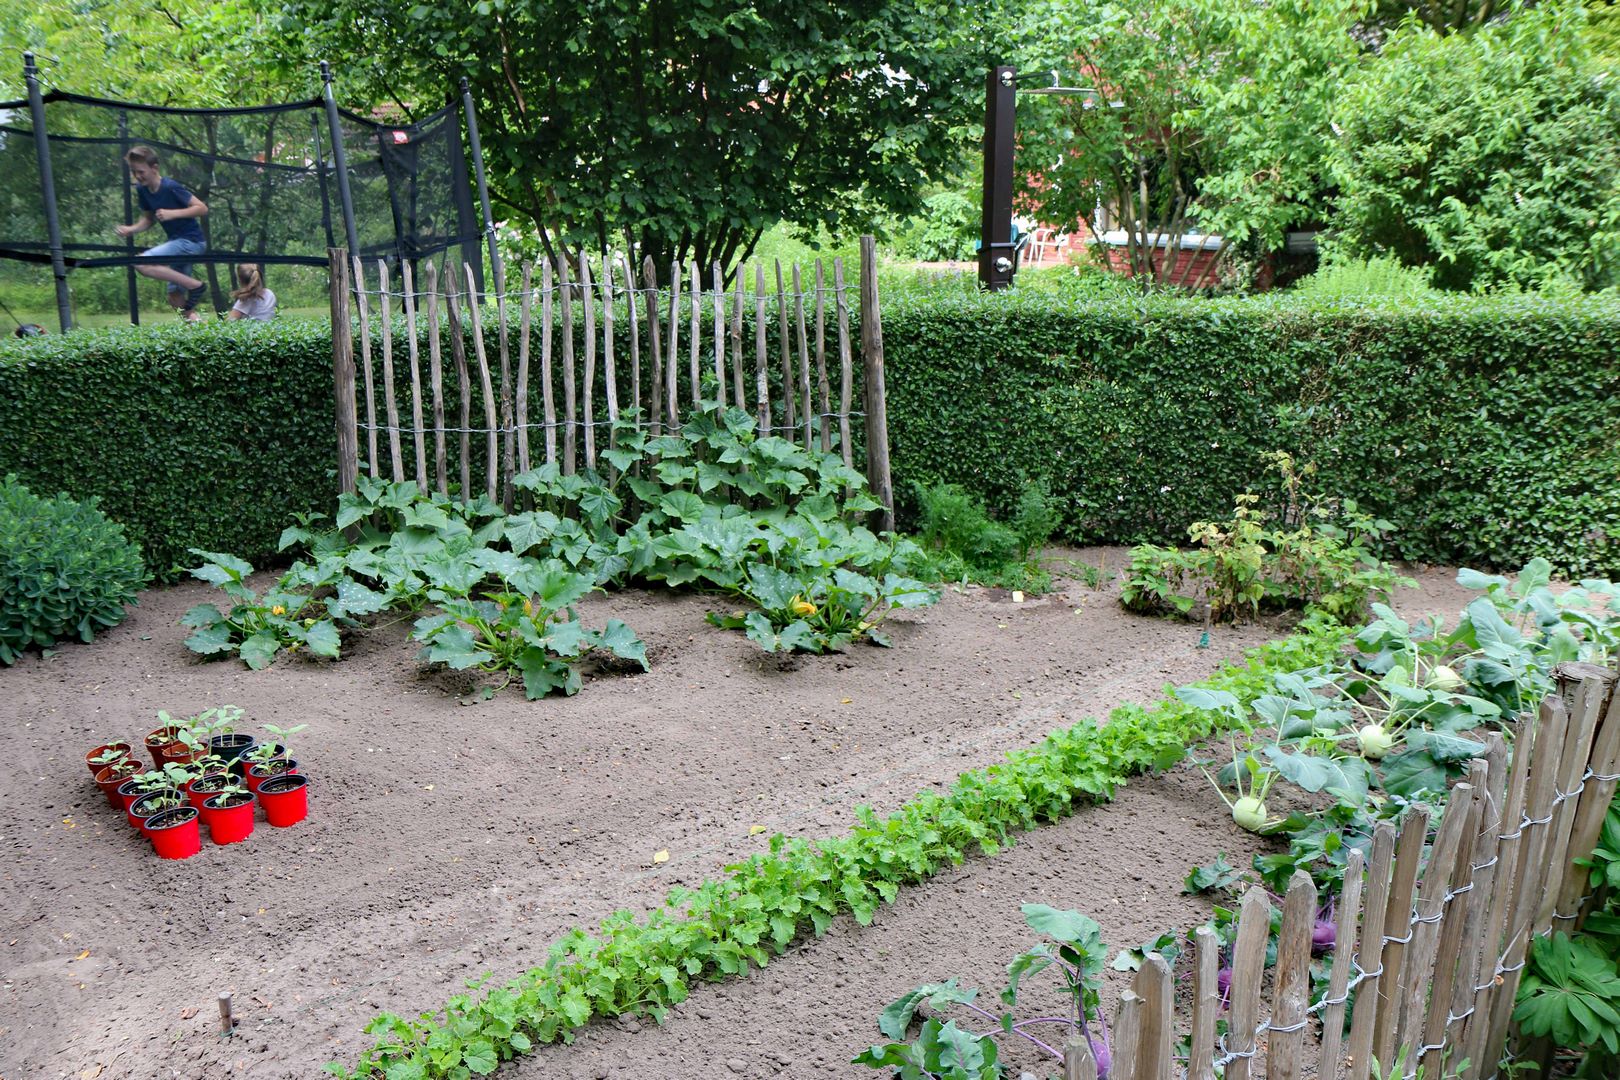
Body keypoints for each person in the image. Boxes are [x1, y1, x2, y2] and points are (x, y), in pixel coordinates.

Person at [113, 145, 210, 321]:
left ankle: (195, 286)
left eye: (141, 172)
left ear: (154, 168)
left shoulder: (170, 187)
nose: (138, 176)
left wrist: (173, 213)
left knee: (141, 263)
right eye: (134, 172)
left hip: (191, 242)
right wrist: (131, 229)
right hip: (178, 243)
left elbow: (202, 208)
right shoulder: (142, 190)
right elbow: (149, 219)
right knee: (175, 297)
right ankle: (203, 332)